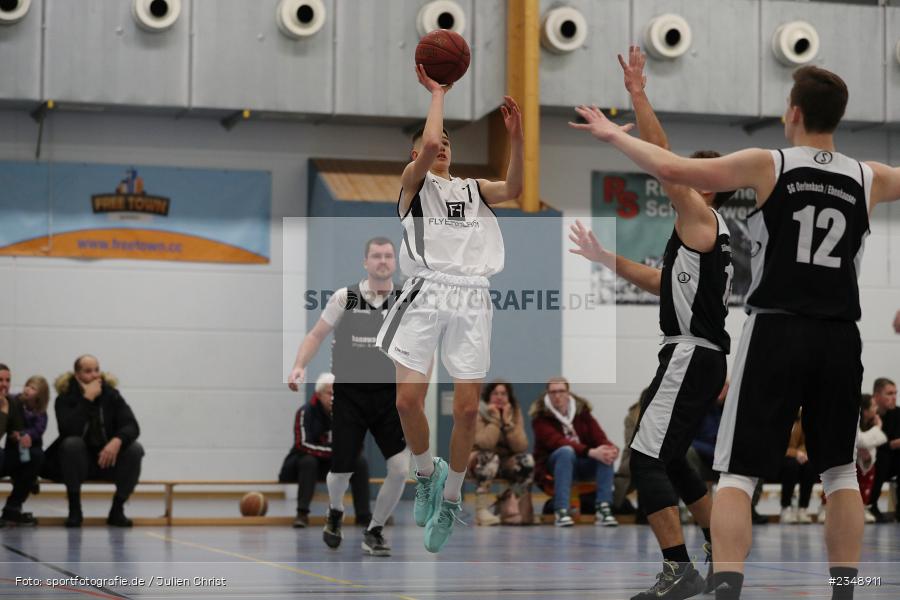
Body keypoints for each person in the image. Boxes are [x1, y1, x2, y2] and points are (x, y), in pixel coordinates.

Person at [570, 63, 900, 600]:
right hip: (840, 336)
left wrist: (611, 134)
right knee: (839, 474)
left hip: (775, 330)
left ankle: (726, 586)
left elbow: (673, 168)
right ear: (841, 116)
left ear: (792, 113)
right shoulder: (873, 176)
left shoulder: (768, 164)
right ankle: (848, 590)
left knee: (738, 476)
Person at [569, 47, 732, 598]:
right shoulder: (702, 231)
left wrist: (637, 97)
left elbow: (661, 154)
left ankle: (678, 569)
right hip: (699, 356)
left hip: (691, 354)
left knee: (643, 458)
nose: (678, 173)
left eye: (691, 171)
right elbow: (662, 283)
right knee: (677, 459)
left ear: (705, 181)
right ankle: (719, 558)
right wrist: (605, 258)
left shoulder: (700, 213)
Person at [374, 63, 524, 553]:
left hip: (472, 295)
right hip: (425, 290)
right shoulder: (413, 185)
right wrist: (437, 93)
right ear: (416, 153)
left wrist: (517, 141)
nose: (443, 149)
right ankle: (427, 474)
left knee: (464, 412)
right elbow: (431, 142)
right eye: (435, 145)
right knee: (406, 401)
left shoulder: (472, 189)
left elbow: (516, 189)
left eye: (448, 146)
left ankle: (453, 498)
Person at [287, 237, 409, 557]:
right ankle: (336, 510)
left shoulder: (404, 301)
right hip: (350, 396)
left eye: (388, 256)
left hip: (388, 397)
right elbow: (316, 335)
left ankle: (375, 529)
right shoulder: (345, 298)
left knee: (399, 468)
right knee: (342, 470)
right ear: (365, 263)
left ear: (395, 263)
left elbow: (423, 349)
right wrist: (299, 366)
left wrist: (417, 390)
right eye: (376, 256)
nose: (382, 261)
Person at [45, 355, 144, 528]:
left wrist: (117, 440)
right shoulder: (64, 398)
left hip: (107, 460)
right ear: (77, 375)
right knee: (71, 444)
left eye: (97, 370)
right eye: (88, 371)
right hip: (77, 465)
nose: (95, 375)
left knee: (135, 449)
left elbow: (132, 425)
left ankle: (117, 510)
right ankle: (75, 510)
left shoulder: (111, 395)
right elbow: (68, 431)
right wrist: (87, 400)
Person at [279, 373, 372, 534]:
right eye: (330, 393)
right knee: (308, 461)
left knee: (360, 462)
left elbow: (357, 444)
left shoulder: (346, 412)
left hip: (334, 464)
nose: (334, 398)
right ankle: (302, 515)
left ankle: (363, 516)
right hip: (305, 465)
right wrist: (336, 453)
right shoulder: (305, 412)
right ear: (319, 394)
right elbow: (302, 444)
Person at [530, 377, 619, 528]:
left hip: (582, 463)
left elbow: (599, 436)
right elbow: (556, 441)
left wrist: (611, 449)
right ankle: (562, 510)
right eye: (553, 392)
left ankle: (603, 508)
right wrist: (590, 451)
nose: (557, 395)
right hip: (554, 466)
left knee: (605, 454)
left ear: (568, 393)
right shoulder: (540, 417)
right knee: (566, 451)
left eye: (561, 391)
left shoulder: (582, 413)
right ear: (547, 394)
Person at [469, 380, 533, 526]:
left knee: (526, 460)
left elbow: (521, 446)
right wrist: (496, 420)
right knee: (489, 457)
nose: (499, 397)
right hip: (477, 462)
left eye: (503, 394)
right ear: (488, 397)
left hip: (505, 462)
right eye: (495, 393)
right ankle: (481, 511)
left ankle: (512, 504)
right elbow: (485, 443)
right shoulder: (479, 411)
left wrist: (508, 424)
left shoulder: (514, 412)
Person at [0, 366, 43, 526]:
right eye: (0, 380)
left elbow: (14, 431)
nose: (4, 384)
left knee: (35, 455)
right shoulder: (5, 404)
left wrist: (21, 437)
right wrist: (2, 411)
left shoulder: (13, 402)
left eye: (8, 380)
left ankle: (12, 509)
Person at [868, 377, 899, 523]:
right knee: (883, 457)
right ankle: (870, 504)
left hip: (893, 459)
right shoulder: (868, 415)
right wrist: (891, 445)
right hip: (873, 459)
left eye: (895, 393)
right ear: (876, 396)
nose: (894, 397)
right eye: (889, 393)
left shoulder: (898, 413)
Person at [778, 412, 816, 525]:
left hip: (794, 457)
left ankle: (803, 508)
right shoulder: (778, 416)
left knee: (810, 466)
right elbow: (776, 443)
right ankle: (786, 507)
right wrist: (795, 453)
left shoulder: (801, 419)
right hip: (778, 458)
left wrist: (803, 453)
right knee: (791, 466)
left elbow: (805, 442)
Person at [856, 394, 887, 523]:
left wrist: (866, 455)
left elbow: (870, 445)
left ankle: (863, 506)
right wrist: (878, 428)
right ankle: (826, 507)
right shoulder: (855, 420)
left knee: (871, 468)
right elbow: (861, 441)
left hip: (863, 462)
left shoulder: (869, 424)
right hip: (849, 460)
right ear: (865, 410)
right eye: (873, 406)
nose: (876, 409)